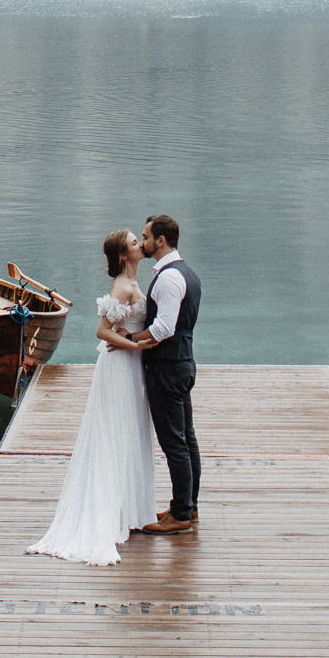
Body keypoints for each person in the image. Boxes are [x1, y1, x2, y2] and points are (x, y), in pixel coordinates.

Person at [25, 229, 156, 564]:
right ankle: (109, 515)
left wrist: (132, 340)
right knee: (114, 435)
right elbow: (102, 332)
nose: (140, 244)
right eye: (133, 242)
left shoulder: (133, 282)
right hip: (119, 366)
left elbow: (121, 327)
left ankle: (128, 510)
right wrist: (137, 344)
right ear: (125, 255)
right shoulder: (123, 286)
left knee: (129, 433)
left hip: (131, 366)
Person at [133, 213, 201, 534]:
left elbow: (164, 327)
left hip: (168, 368)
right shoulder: (186, 272)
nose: (143, 241)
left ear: (160, 241)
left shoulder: (171, 277)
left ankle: (180, 515)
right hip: (182, 363)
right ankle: (188, 505)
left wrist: (128, 341)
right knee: (186, 438)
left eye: (146, 237)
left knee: (174, 442)